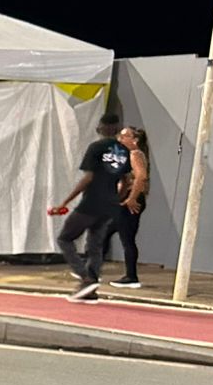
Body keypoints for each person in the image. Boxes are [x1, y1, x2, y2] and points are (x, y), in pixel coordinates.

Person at [53, 114, 130, 303]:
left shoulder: (96, 147)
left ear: (101, 127)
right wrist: (116, 199)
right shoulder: (123, 151)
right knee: (95, 246)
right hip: (110, 205)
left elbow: (88, 178)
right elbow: (126, 181)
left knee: (65, 238)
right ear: (117, 128)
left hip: (92, 202)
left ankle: (85, 278)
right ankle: (91, 290)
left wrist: (65, 202)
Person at [109, 126, 149, 289]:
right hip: (125, 198)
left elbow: (141, 177)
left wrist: (132, 198)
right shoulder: (127, 156)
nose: (120, 139)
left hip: (132, 199)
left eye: (124, 136)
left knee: (127, 238)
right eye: (120, 136)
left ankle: (131, 276)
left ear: (135, 140)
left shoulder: (135, 154)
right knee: (106, 231)